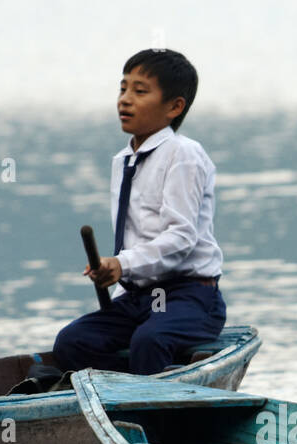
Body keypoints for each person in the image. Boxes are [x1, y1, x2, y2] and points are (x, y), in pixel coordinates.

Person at [52, 49, 226, 376]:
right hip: (137, 298)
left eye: (140, 91)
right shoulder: (123, 160)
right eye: (123, 89)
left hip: (189, 296)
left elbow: (181, 238)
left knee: (150, 340)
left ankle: (150, 407)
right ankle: (131, 386)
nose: (125, 100)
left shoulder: (183, 154)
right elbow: (133, 236)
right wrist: (113, 273)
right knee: (71, 342)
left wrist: (123, 263)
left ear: (174, 107)